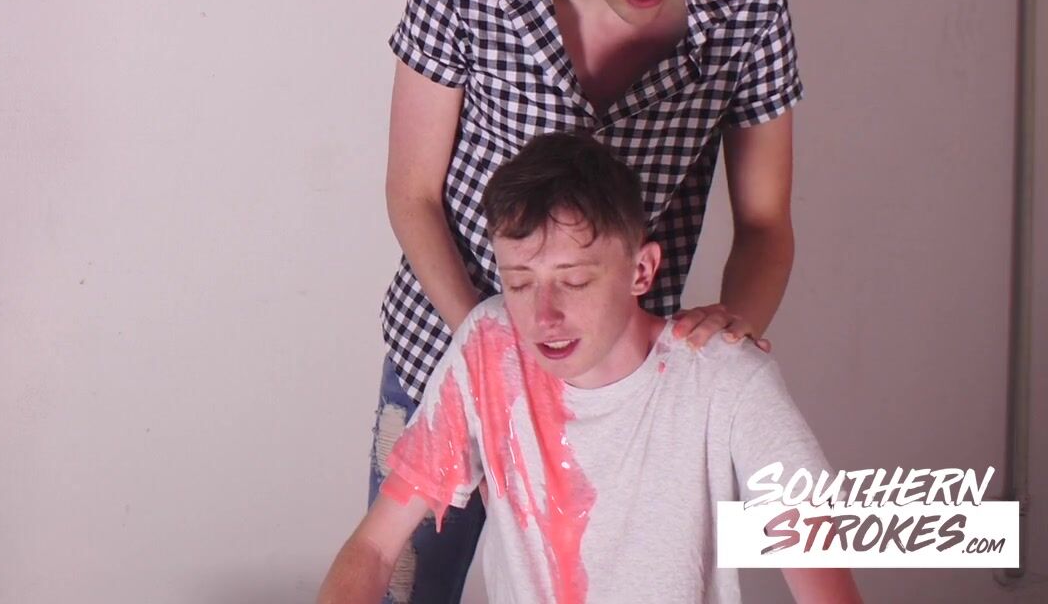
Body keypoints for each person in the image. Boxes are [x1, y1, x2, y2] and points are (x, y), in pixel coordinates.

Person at [377, 0, 804, 601]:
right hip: (446, 349)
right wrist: (491, 349)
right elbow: (412, 193)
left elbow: (765, 223)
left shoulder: (751, 15)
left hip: (624, 389)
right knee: (408, 585)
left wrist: (735, 330)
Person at [325, 132, 859, 604]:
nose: (544, 317)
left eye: (575, 281)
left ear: (641, 270)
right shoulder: (490, 345)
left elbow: (822, 575)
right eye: (520, 283)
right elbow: (375, 548)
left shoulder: (725, 377)